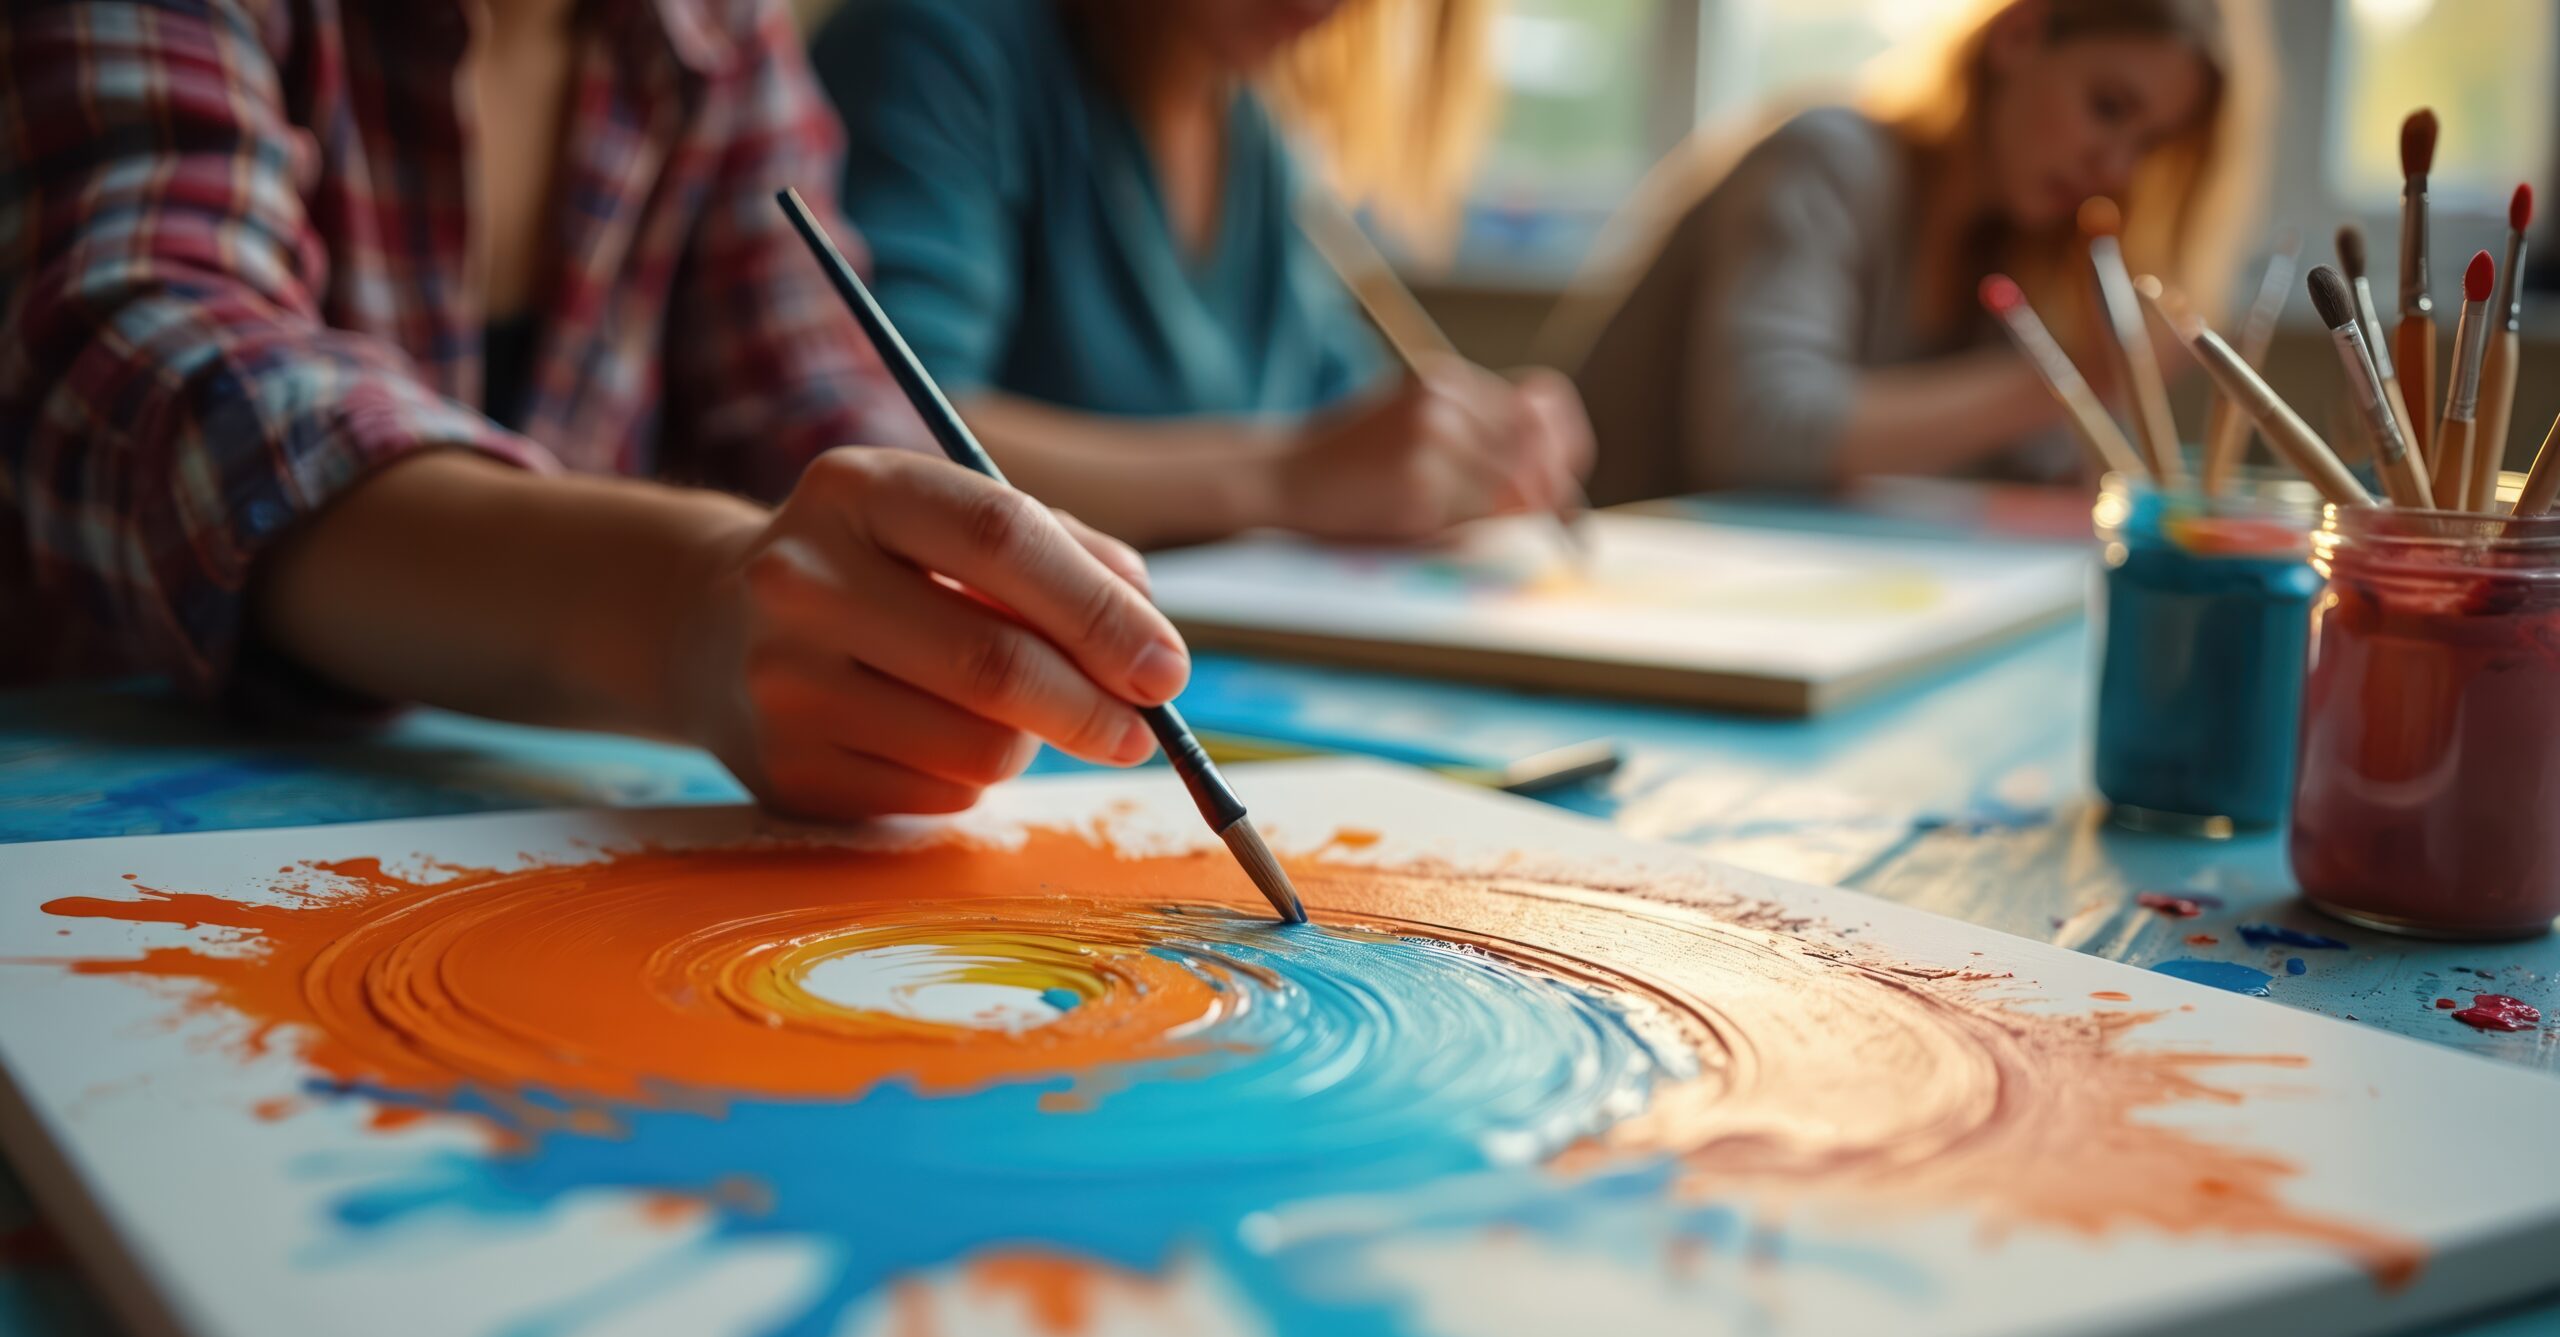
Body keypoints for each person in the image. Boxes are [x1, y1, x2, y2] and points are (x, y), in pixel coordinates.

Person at [0, 0, 1192, 821]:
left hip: (502, 829)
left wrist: (925, 560)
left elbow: (817, 403)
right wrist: (683, 616)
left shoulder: (712, 32)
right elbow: (150, 369)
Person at [810, 0, 1593, 549]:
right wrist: (1285, 480)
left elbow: (1340, 429)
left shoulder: (1254, 137)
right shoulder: (936, 49)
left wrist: (1460, 454)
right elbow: (884, 436)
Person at [1568, 0, 2271, 501]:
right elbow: (1761, 436)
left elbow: (2071, 478)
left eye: (2148, 145)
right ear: (2019, 35)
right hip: (1595, 594)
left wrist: (2103, 414)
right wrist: (2074, 378)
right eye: (2109, 108)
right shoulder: (1824, 162)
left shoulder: (2018, 245)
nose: (2115, 167)